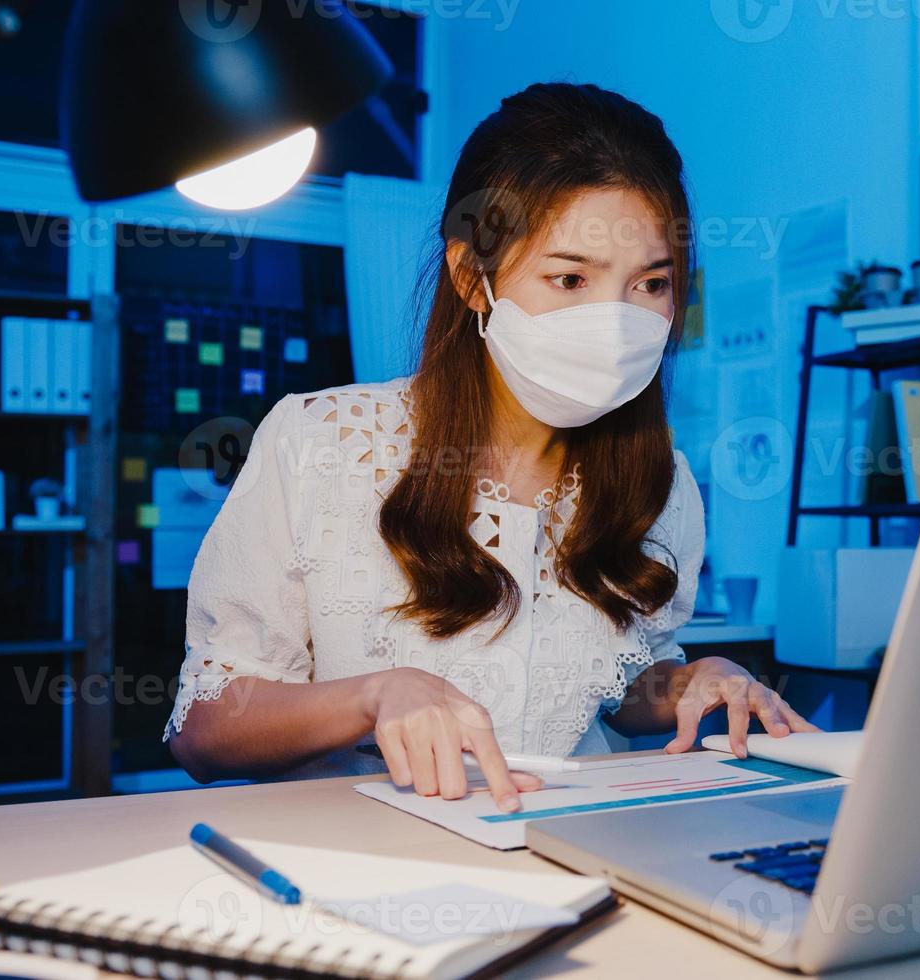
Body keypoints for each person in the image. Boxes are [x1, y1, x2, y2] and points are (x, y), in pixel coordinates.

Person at [165, 82, 815, 812]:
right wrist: (372, 698)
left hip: (572, 846)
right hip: (359, 862)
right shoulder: (323, 443)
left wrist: (692, 682)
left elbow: (620, 684)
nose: (612, 321)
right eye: (570, 278)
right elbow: (203, 727)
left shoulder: (661, 483)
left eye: (650, 282)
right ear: (473, 278)